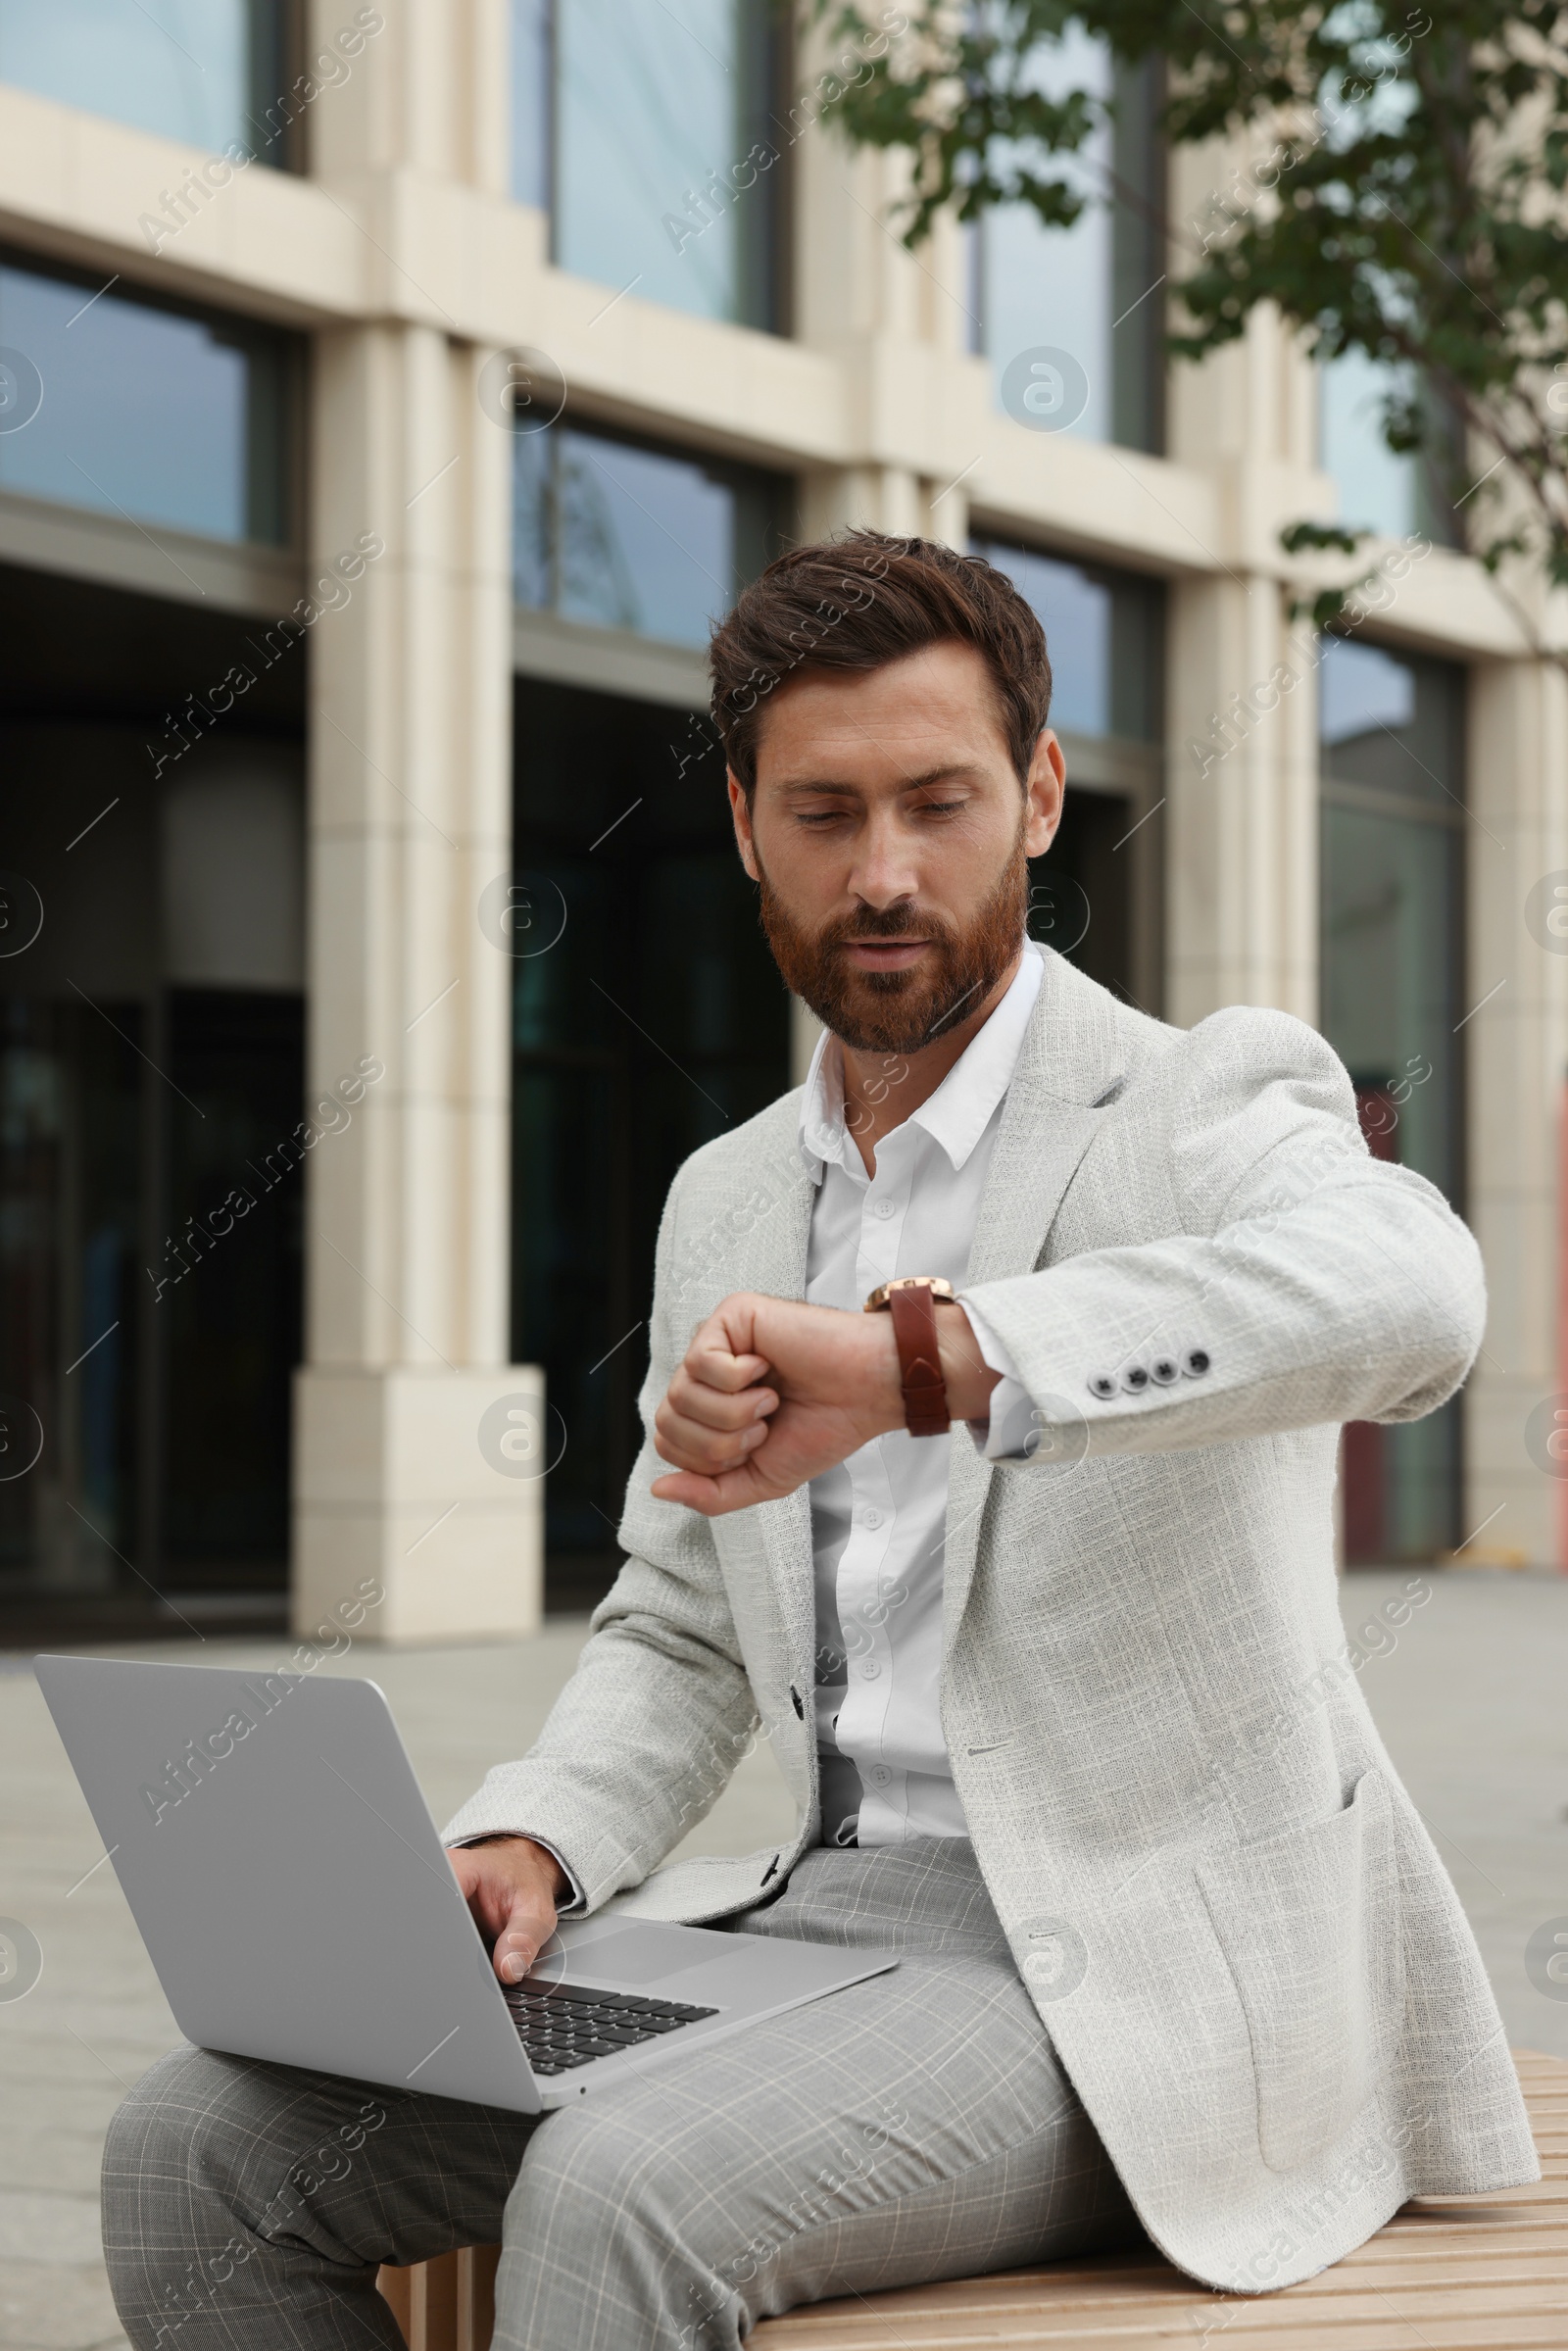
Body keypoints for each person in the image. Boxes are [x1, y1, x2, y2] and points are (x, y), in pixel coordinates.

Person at [103, 533, 1537, 2349]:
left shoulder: (1198, 1101)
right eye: (824, 811)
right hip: (815, 1934)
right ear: (741, 821)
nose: (882, 875)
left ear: (1037, 796)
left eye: (939, 803)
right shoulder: (727, 1198)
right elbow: (682, 1623)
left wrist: (933, 1359)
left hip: (1135, 1981)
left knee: (623, 2193)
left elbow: (1420, 1296)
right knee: (199, 2146)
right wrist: (536, 1843)